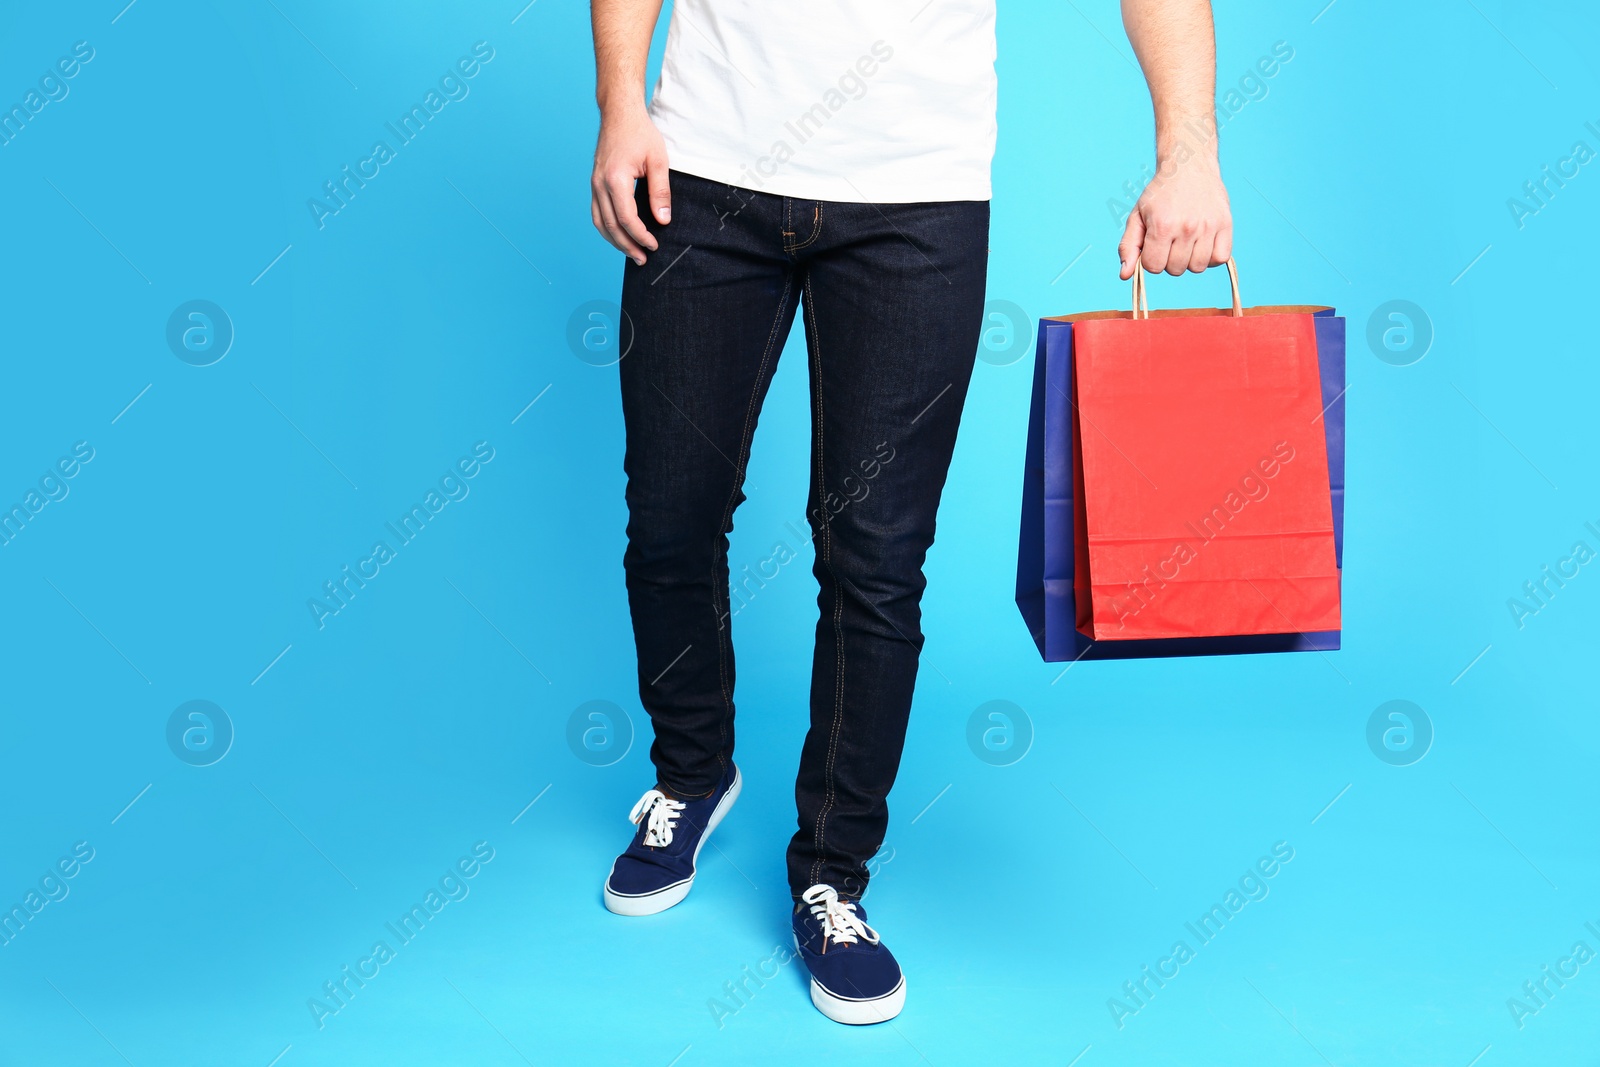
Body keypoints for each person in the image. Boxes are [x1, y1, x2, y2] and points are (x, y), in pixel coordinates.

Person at [588, 0, 1233, 1025]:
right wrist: (620, 103)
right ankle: (692, 771)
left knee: (874, 556)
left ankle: (831, 874)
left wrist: (1188, 151)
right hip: (701, 168)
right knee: (669, 513)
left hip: (914, 198)